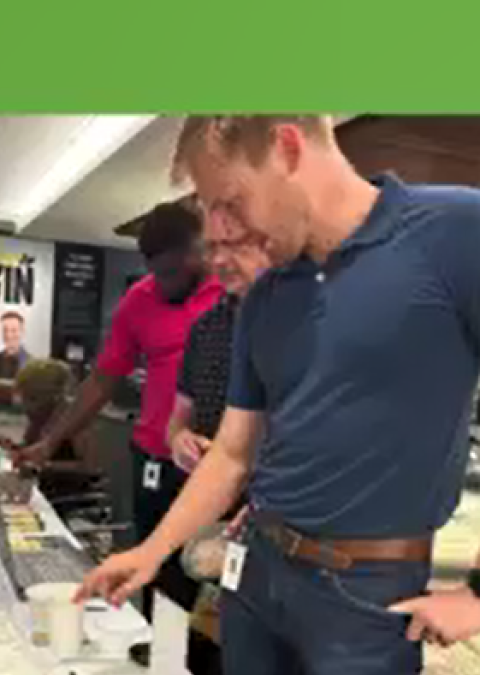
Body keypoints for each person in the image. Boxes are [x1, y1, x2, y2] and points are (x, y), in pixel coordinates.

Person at [80, 116, 480, 674]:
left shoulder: (453, 231)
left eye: (231, 202)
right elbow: (232, 453)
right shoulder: (266, 294)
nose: (221, 227)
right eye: (209, 209)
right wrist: (152, 551)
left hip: (364, 596)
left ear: (287, 148)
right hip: (255, 573)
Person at [14, 200, 221, 615]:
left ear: (198, 251)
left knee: (210, 579)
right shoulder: (139, 300)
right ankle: (157, 655)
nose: (161, 283)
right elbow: (102, 381)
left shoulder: (230, 290)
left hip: (218, 463)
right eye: (154, 272)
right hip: (156, 461)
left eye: (171, 273)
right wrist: (50, 441)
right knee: (156, 571)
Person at [167, 226, 270, 474]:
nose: (219, 260)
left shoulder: (303, 324)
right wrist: (179, 440)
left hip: (276, 493)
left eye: (234, 245)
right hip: (210, 484)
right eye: (213, 248)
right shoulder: (204, 328)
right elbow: (179, 417)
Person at [0, 358, 99, 500]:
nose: (26, 406)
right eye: (25, 398)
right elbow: (30, 448)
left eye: (33, 399)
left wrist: (44, 467)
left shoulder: (75, 419)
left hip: (67, 496)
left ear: (53, 396)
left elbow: (90, 468)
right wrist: (15, 449)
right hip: (40, 490)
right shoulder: (39, 417)